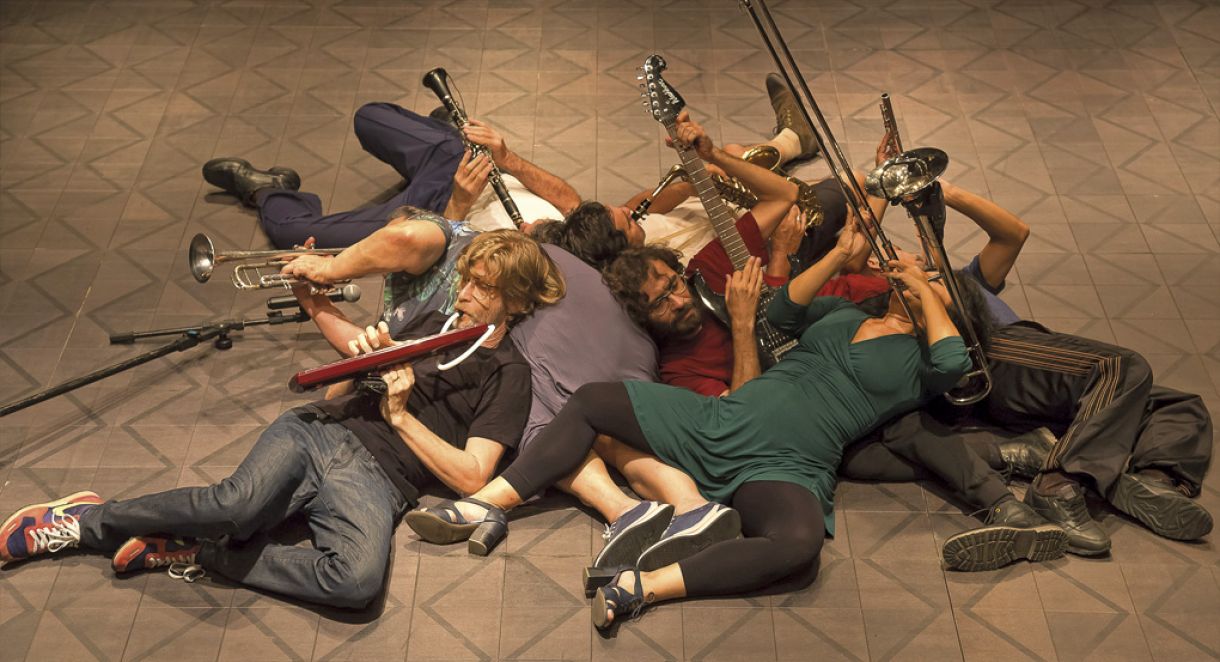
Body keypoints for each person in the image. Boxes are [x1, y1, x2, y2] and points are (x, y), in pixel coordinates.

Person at [403, 211, 986, 629]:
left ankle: (644, 588)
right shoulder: (849, 310)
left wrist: (930, 296)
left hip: (792, 459)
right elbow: (785, 308)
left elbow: (955, 364)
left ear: (946, 306)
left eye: (934, 282)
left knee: (799, 545)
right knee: (594, 399)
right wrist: (839, 256)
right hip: (728, 416)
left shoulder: (925, 358)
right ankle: (490, 505)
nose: (916, 279)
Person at [0, 231, 563, 610]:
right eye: (466, 279)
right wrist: (342, 330)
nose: (464, 294)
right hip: (322, 432)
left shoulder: (510, 374)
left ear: (515, 301)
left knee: (357, 583)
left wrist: (400, 417)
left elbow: (472, 476)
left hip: (381, 482)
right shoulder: (438, 319)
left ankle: (200, 551)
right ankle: (83, 521)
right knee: (234, 505)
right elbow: (352, 364)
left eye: (483, 288)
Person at [864, 182, 1215, 556]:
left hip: (1035, 362)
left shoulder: (964, 278)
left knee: (1178, 406)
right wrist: (917, 271)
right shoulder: (914, 292)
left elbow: (1014, 233)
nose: (911, 254)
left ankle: (1152, 480)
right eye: (899, 253)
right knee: (1121, 367)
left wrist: (944, 192)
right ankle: (1057, 485)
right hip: (996, 351)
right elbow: (951, 328)